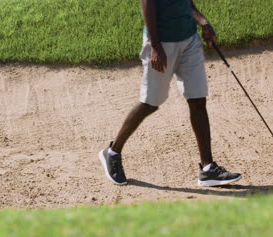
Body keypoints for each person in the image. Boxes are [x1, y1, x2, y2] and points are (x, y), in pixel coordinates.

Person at [98, 0, 242, 187]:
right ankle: (112, 153)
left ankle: (208, 169)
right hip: (162, 43)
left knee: (198, 100)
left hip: (189, 40)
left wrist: (204, 22)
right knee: (150, 103)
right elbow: (147, 5)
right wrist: (156, 47)